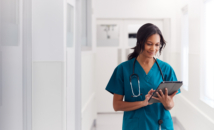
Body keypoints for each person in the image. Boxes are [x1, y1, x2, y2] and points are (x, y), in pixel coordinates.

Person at [105, 23, 181, 130]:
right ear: (140, 42)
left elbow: (170, 104)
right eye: (149, 44)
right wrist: (143, 103)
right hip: (135, 125)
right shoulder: (123, 69)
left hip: (160, 124)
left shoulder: (166, 69)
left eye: (157, 45)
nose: (153, 49)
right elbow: (116, 105)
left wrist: (167, 103)